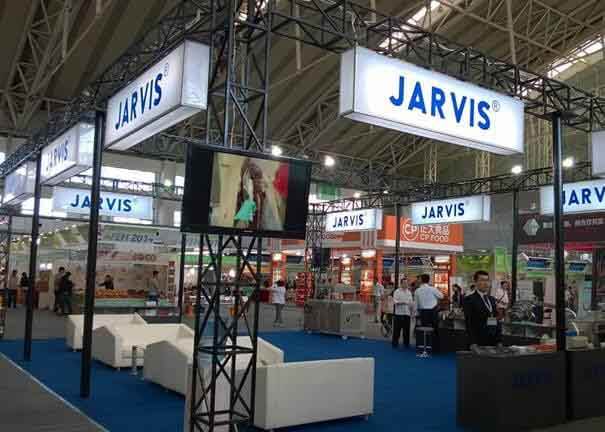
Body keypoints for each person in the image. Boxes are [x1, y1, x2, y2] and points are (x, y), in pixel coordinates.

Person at [463, 270, 502, 352]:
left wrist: (499, 340)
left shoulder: (491, 299)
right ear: (475, 282)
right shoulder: (469, 300)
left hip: (492, 341)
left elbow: (494, 320)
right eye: (482, 280)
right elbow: (469, 323)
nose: (486, 283)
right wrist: (473, 343)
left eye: (487, 280)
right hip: (478, 342)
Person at [414, 274, 443, 352]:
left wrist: (415, 313)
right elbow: (441, 296)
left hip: (423, 312)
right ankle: (436, 348)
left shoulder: (417, 290)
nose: (418, 280)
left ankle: (424, 348)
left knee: (424, 331)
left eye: (419, 279)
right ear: (428, 280)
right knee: (435, 330)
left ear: (421, 280)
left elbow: (416, 304)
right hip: (433, 312)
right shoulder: (432, 289)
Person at [392, 280, 413, 348]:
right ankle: (395, 343)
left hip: (407, 313)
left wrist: (411, 309)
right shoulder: (397, 291)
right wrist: (401, 302)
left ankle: (406, 343)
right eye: (404, 283)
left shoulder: (409, 292)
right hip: (398, 313)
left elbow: (410, 302)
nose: (406, 284)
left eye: (406, 283)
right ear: (401, 284)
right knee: (397, 330)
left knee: (406, 330)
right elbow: (394, 301)